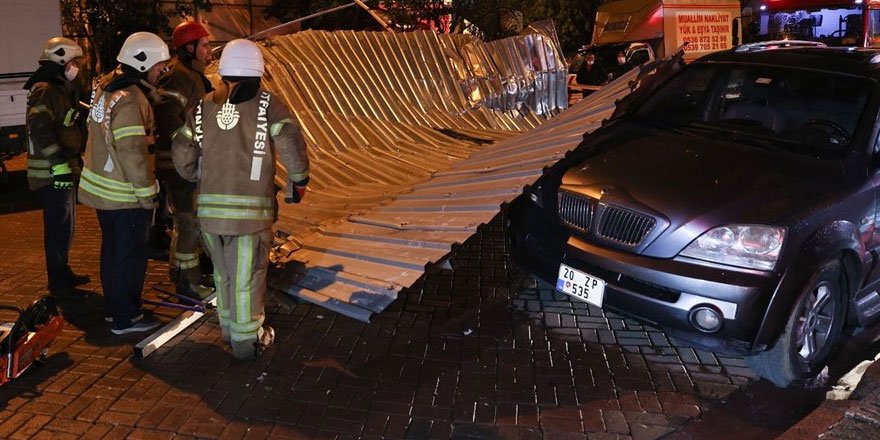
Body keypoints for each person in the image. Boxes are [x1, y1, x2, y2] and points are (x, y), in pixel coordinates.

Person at [172, 39, 310, 359]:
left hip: (209, 215)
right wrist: (299, 180)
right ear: (258, 71)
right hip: (249, 217)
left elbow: (181, 148)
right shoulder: (267, 104)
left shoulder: (205, 104)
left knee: (223, 274)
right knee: (248, 277)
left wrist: (196, 175)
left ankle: (228, 329)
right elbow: (289, 140)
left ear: (223, 72)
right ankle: (247, 343)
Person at [78, 32, 170, 334]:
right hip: (126, 194)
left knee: (114, 252)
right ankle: (126, 317)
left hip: (106, 191)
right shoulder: (130, 99)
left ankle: (114, 309)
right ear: (142, 63)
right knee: (129, 256)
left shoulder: (109, 89)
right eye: (160, 65)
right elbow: (133, 152)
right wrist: (148, 195)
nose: (163, 71)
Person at [24, 37, 90, 299]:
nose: (76, 67)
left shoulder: (60, 88)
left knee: (66, 226)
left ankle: (63, 272)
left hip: (63, 169)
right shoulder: (45, 89)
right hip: (52, 172)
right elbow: (39, 129)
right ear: (60, 62)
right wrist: (59, 164)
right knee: (57, 228)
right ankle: (58, 284)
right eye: (73, 62)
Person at [154, 21, 215, 300]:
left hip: (187, 163)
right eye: (204, 44)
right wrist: (188, 146)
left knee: (187, 223)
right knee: (189, 223)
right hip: (179, 166)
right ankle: (187, 285)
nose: (209, 49)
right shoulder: (179, 76)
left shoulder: (193, 74)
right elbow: (168, 114)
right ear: (189, 48)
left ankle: (181, 273)